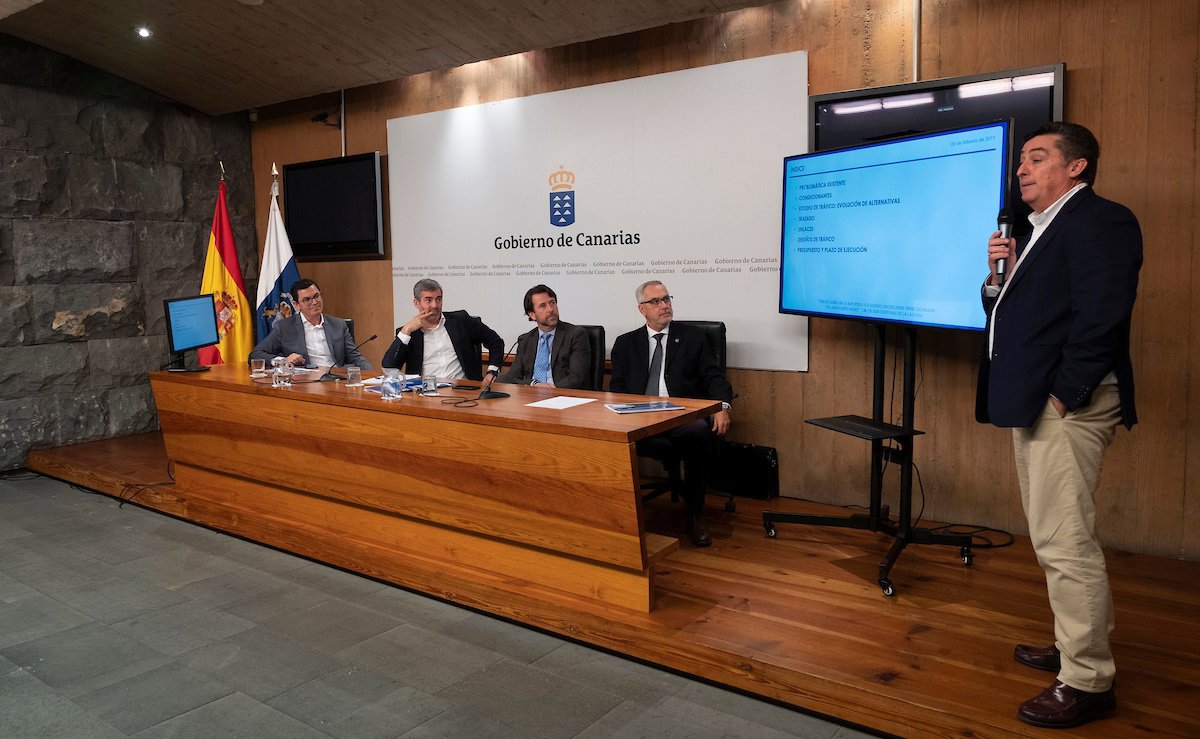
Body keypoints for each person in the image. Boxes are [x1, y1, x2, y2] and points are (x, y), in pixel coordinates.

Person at [977, 122, 1142, 729]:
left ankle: (1088, 680)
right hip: (1035, 400)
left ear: (1077, 167)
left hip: (1066, 403)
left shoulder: (1102, 220)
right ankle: (1073, 645)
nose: (1022, 168)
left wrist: (1064, 397)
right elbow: (1015, 316)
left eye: (1037, 158)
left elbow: (1103, 317)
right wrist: (998, 281)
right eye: (1021, 159)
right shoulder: (1035, 231)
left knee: (1065, 541)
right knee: (1052, 535)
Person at [610, 280, 733, 547]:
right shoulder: (625, 343)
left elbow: (714, 378)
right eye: (656, 301)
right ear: (642, 309)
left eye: (666, 299)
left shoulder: (692, 337)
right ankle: (620, 515)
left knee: (699, 431)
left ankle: (696, 511)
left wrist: (722, 406)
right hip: (639, 417)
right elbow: (617, 388)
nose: (664, 305)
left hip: (681, 417)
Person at [382, 278, 505, 384]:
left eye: (438, 299)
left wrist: (492, 371)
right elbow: (389, 368)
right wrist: (406, 330)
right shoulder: (408, 333)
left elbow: (495, 341)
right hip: (425, 393)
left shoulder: (461, 321)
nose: (435, 305)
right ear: (416, 303)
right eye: (428, 300)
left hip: (463, 390)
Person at [249, 279, 371, 370]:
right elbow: (255, 355)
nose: (314, 302)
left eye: (316, 296)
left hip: (337, 379)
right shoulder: (285, 327)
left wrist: (375, 377)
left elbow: (356, 358)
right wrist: (283, 360)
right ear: (296, 305)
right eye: (307, 299)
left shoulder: (339, 325)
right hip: (305, 381)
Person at [495, 284, 592, 389]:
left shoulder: (575, 335)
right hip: (530, 394)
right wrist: (534, 384)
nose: (550, 309)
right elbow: (512, 378)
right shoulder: (526, 340)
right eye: (543, 306)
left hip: (561, 393)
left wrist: (551, 390)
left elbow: (577, 377)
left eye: (552, 303)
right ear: (532, 315)